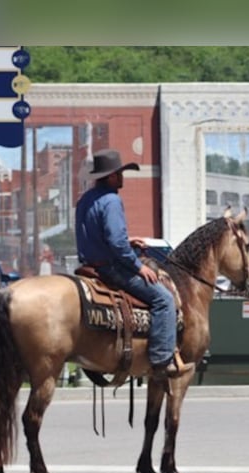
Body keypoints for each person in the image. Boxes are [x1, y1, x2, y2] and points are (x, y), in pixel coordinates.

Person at [75, 148, 194, 379]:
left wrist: (127, 240)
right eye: (119, 173)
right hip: (110, 268)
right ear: (110, 176)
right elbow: (117, 245)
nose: (122, 178)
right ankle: (162, 360)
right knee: (164, 299)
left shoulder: (86, 200)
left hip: (89, 265)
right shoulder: (111, 200)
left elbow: (96, 235)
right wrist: (139, 267)